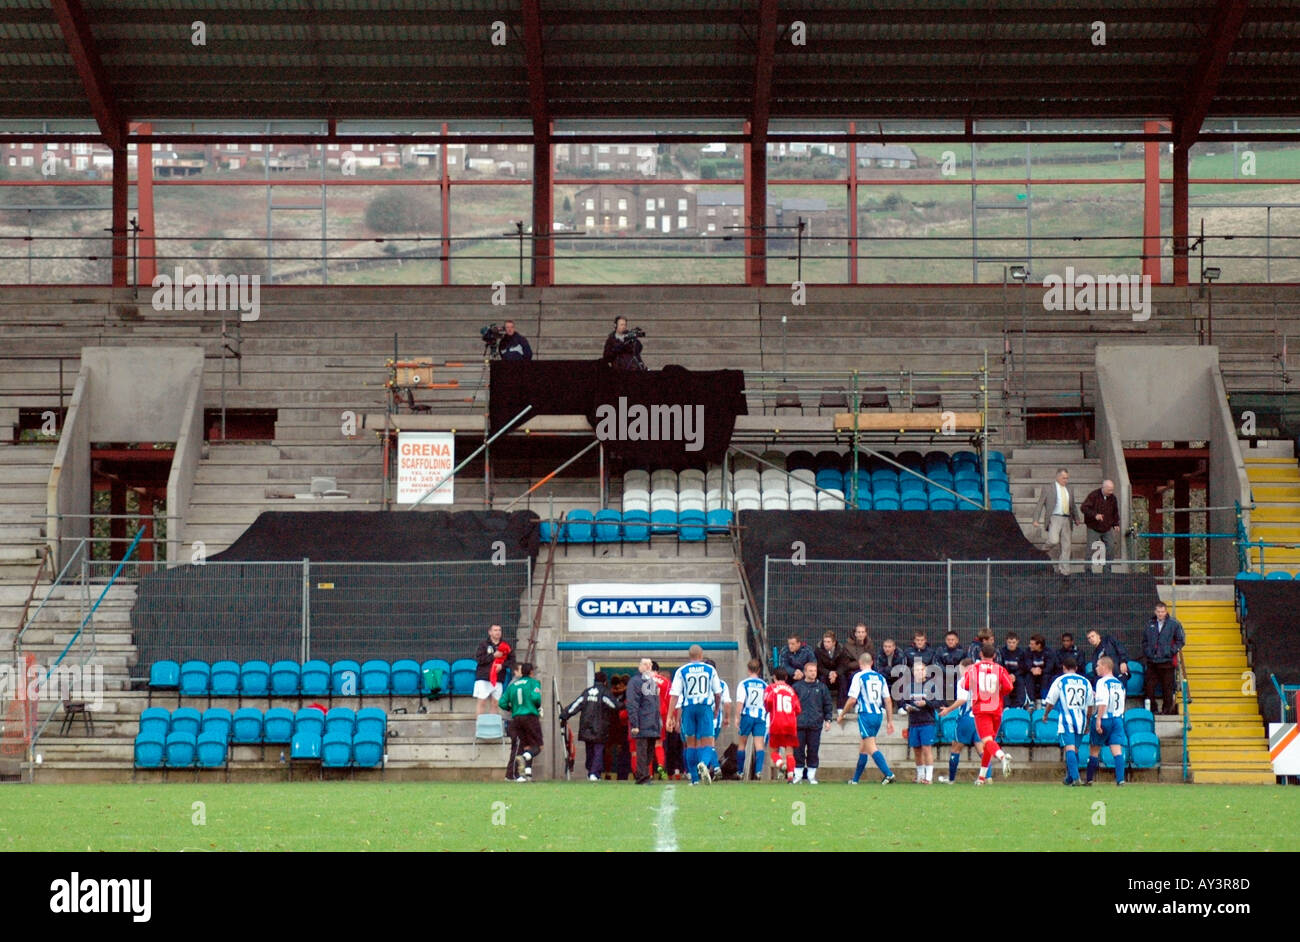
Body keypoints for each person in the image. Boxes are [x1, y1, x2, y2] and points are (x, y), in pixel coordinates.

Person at [666, 645, 725, 785]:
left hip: (688, 708)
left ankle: (694, 779)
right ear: (701, 655)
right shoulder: (710, 670)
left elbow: (674, 695)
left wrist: (670, 716)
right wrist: (716, 709)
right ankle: (704, 763)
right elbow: (718, 693)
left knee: (690, 743)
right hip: (705, 707)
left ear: (689, 655)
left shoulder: (682, 670)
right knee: (708, 742)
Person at [837, 651, 895, 784]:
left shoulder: (859, 676)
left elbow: (852, 700)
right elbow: (888, 701)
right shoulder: (881, 677)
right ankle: (855, 780)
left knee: (870, 746)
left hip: (866, 714)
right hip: (878, 714)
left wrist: (842, 714)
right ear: (872, 663)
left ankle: (889, 774)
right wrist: (890, 721)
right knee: (863, 747)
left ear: (860, 663)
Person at [963, 643, 1016, 785]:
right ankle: (981, 778)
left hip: (982, 709)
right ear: (994, 656)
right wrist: (998, 693)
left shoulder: (974, 668)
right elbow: (1009, 687)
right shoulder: (1000, 669)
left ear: (980, 654)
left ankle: (1002, 756)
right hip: (996, 709)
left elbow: (966, 685)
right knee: (989, 742)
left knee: (987, 741)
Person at [937, 658, 990, 784]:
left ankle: (951, 779)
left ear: (966, 668)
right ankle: (987, 777)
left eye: (960, 668)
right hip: (980, 717)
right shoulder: (983, 681)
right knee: (981, 748)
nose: (959, 671)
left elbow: (962, 699)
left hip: (967, 718)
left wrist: (948, 709)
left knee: (955, 748)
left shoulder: (964, 680)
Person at [1042, 656, 1093, 786]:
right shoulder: (1085, 681)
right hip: (1081, 720)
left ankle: (1075, 778)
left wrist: (1046, 714)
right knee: (1075, 749)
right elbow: (1090, 705)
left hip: (1067, 720)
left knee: (1069, 748)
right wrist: (1088, 721)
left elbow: (1050, 701)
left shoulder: (1060, 680)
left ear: (1064, 668)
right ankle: (1070, 778)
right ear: (1076, 668)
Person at [560, 670, 619, 781]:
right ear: (605, 682)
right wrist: (623, 705)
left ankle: (590, 772)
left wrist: (564, 715)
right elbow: (614, 706)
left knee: (590, 750)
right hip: (600, 727)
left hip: (586, 726)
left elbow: (575, 705)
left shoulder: (586, 692)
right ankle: (594, 773)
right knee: (598, 750)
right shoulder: (604, 693)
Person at [1032, 467, 1084, 574]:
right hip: (1054, 517)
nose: (1066, 480)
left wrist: (1077, 518)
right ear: (1058, 476)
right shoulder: (1048, 488)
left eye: (1067, 478)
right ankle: (1042, 551)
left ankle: (1064, 570)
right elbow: (1040, 504)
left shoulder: (1069, 488)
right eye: (1064, 478)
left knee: (1066, 546)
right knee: (1053, 540)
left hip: (1067, 518)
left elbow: (1073, 505)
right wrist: (1035, 519)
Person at [1086, 656, 1127, 786]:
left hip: (1104, 718)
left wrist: (1098, 718)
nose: (1096, 668)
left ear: (1105, 666)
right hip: (1117, 719)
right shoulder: (1119, 683)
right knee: (1117, 751)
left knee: (1094, 750)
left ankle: (1089, 779)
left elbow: (1103, 702)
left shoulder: (1102, 682)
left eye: (1098, 665)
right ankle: (1120, 780)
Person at [791, 661, 833, 784]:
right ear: (805, 672)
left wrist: (828, 719)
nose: (813, 673)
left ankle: (811, 776)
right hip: (799, 724)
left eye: (814, 671)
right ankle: (797, 775)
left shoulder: (822, 687)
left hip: (815, 724)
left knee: (813, 750)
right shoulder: (797, 687)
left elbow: (827, 704)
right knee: (798, 751)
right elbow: (791, 705)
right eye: (810, 671)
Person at [499, 662, 542, 782]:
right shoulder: (534, 683)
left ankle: (523, 774)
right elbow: (536, 698)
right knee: (537, 746)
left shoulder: (513, 685)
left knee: (520, 745)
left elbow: (502, 702)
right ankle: (523, 759)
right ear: (532, 672)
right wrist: (537, 707)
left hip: (516, 718)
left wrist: (512, 708)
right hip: (530, 717)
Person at [1143, 601, 1185, 715]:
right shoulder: (1149, 624)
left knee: (1168, 688)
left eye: (1162, 611)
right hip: (1152, 661)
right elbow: (1145, 641)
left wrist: (1170, 652)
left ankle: (1167, 710)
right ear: (1155, 612)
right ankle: (1153, 709)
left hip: (1167, 661)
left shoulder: (1174, 624)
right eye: (1158, 611)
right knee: (1149, 687)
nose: (1160, 614)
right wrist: (1148, 652)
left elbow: (1181, 641)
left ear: (1166, 612)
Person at [625, 658, 663, 785]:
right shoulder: (634, 682)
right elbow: (632, 703)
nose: (648, 667)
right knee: (641, 751)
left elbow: (656, 704)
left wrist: (658, 722)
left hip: (652, 723)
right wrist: (634, 723)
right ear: (640, 666)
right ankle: (642, 776)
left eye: (650, 664)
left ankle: (645, 774)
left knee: (649, 752)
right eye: (645, 664)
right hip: (642, 722)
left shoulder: (652, 682)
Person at [903, 660, 939, 784]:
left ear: (926, 672)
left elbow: (938, 702)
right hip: (914, 722)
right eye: (916, 670)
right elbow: (904, 702)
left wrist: (926, 703)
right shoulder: (909, 687)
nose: (919, 672)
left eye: (921, 670)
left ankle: (928, 777)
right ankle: (920, 774)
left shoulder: (931, 685)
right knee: (916, 750)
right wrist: (906, 707)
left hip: (927, 722)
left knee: (926, 749)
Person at [764, 668, 801, 781]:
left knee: (773, 750)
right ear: (786, 678)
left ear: (774, 677)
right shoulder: (791, 690)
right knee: (789, 751)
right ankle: (790, 777)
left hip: (777, 722)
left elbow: (767, 702)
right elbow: (798, 709)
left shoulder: (771, 688)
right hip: (790, 723)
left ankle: (780, 764)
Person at [734, 659, 768, 781]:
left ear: (748, 670)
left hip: (747, 716)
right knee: (759, 745)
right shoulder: (764, 685)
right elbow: (767, 702)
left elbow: (740, 702)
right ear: (759, 670)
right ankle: (758, 772)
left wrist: (737, 717)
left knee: (742, 743)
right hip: (760, 717)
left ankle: (740, 771)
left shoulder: (744, 684)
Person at [473, 624, 514, 716]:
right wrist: (493, 656)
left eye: (499, 630)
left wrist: (502, 666)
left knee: (495, 704)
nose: (498, 632)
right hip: (484, 677)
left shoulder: (506, 645)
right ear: (490, 632)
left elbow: (512, 660)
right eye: (495, 630)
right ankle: (480, 726)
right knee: (482, 702)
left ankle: (492, 727)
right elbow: (480, 659)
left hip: (498, 678)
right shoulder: (483, 645)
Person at [1081, 479, 1120, 569]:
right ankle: (1087, 569)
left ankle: (1107, 569)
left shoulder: (1113, 498)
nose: (1111, 492)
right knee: (1090, 548)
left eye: (1112, 490)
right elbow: (1084, 508)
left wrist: (1115, 524)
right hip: (1093, 527)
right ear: (1103, 488)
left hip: (1107, 527)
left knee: (1110, 546)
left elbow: (1115, 512)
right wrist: (1095, 515)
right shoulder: (1093, 495)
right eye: (1109, 490)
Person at [814, 631, 854, 706]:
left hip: (838, 674)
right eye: (825, 641)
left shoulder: (841, 649)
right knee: (822, 679)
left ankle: (841, 707)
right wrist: (829, 673)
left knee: (843, 679)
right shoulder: (818, 650)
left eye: (828, 642)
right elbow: (818, 666)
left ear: (834, 643)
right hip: (824, 674)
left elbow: (844, 665)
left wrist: (836, 673)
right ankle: (822, 704)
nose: (826, 644)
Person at [1024, 633, 1057, 707]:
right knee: (1028, 676)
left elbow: (1050, 666)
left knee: (1046, 677)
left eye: (1032, 644)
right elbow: (1026, 663)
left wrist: (1041, 671)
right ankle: (1031, 701)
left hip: (1044, 673)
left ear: (1039, 645)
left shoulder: (1049, 652)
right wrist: (1032, 669)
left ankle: (1044, 700)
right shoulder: (1028, 651)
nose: (1030, 645)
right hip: (1033, 673)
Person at [998, 632, 1027, 709]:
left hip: (1017, 675)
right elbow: (1000, 666)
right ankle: (1006, 706)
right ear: (1006, 641)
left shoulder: (1021, 653)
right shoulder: (1001, 652)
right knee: (1003, 682)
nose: (1011, 644)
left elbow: (1023, 667)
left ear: (1017, 642)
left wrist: (1015, 675)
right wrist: (1007, 675)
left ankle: (1019, 705)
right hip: (1005, 675)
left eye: (1013, 642)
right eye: (1009, 642)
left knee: (1020, 681)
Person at [877, 638, 906, 710]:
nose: (887, 649)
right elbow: (878, 669)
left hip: (896, 677)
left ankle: (901, 707)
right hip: (885, 676)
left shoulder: (900, 655)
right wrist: (887, 671)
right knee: (880, 680)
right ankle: (883, 707)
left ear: (894, 647)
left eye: (889, 647)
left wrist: (890, 671)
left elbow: (901, 669)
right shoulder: (879, 654)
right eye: (885, 646)